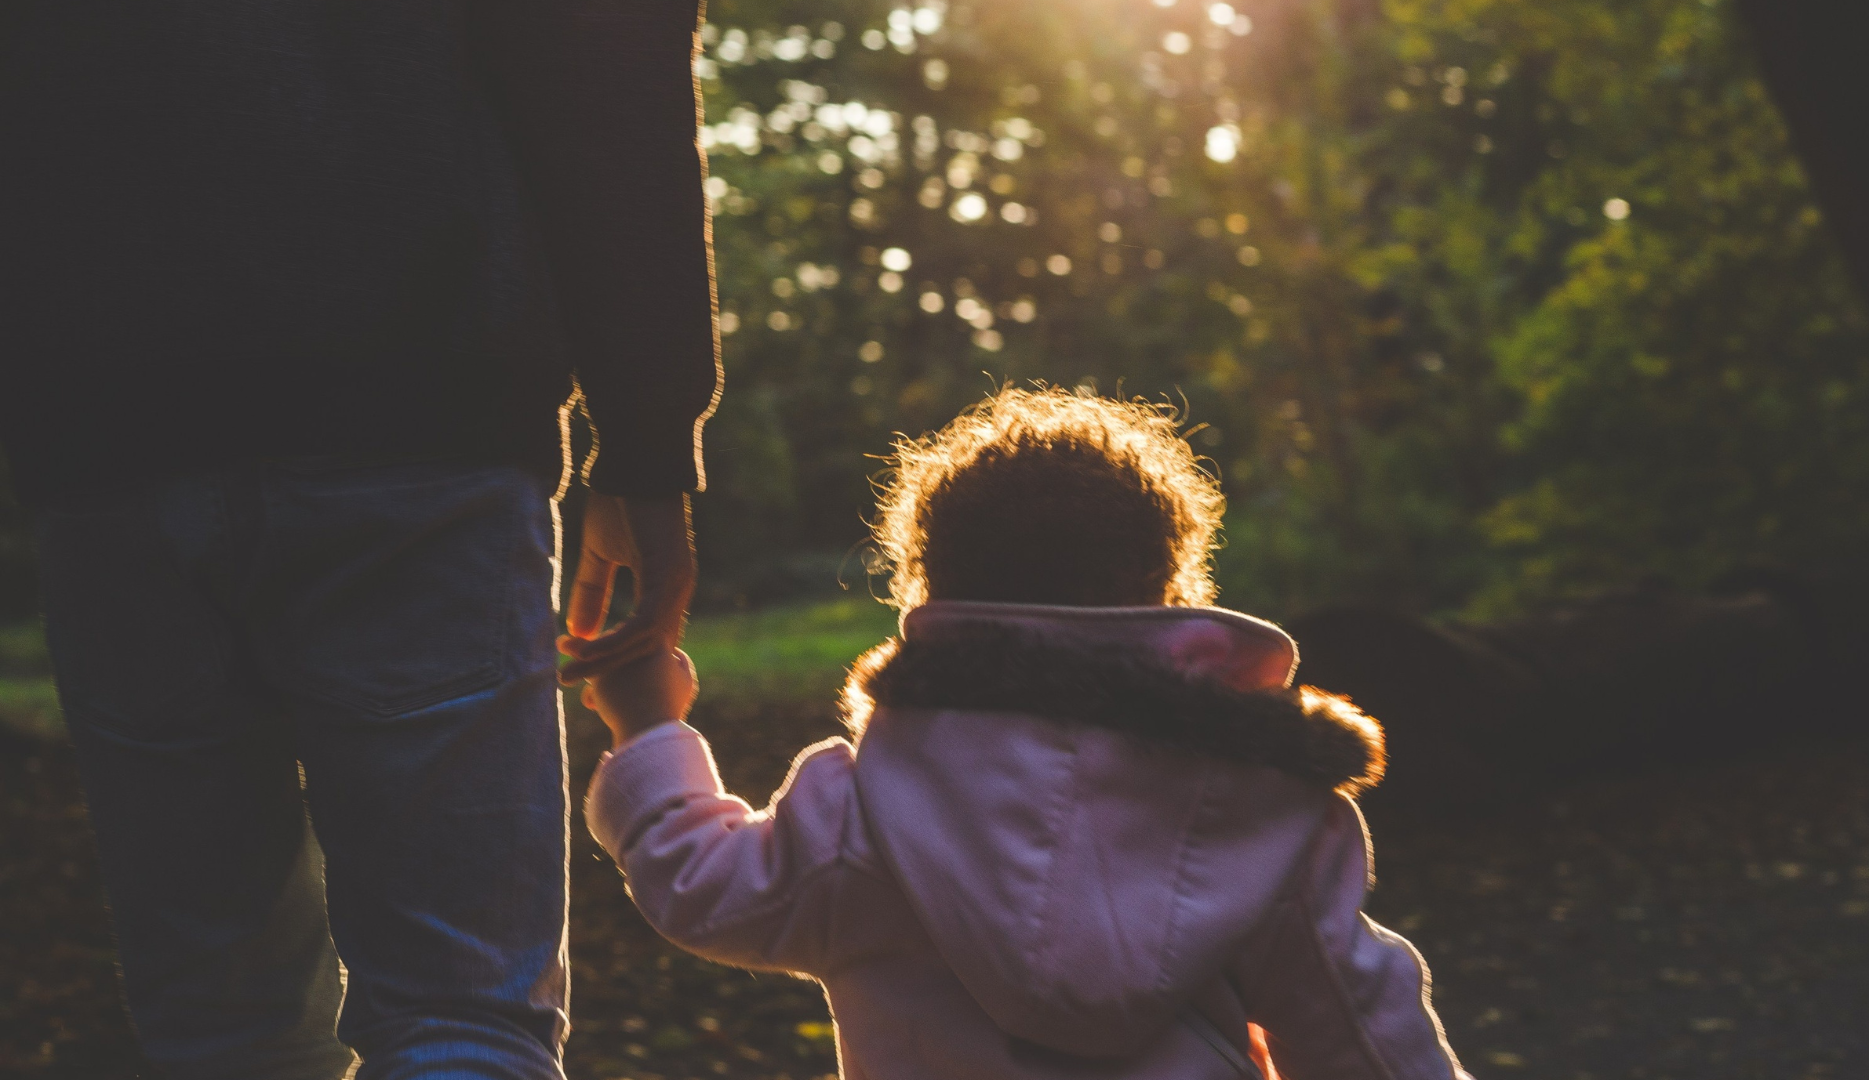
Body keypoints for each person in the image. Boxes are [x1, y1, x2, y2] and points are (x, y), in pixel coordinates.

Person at [0, 2, 719, 1077]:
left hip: (110, 450)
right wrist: (648, 438)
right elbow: (606, 77)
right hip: (419, 420)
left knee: (217, 1029)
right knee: (461, 1014)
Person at [581, 388, 1471, 1080]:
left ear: (930, 590)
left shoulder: (864, 811)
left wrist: (650, 725)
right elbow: (1361, 1031)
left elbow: (706, 886)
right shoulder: (1258, 809)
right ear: (1167, 590)